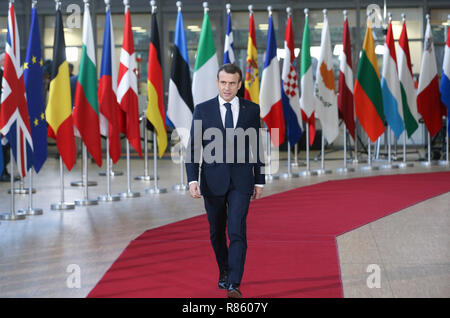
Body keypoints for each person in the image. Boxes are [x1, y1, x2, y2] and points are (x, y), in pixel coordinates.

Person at [185, 63, 265, 298]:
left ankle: (234, 283)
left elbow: (257, 146)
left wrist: (259, 180)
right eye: (223, 82)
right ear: (217, 83)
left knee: (237, 229)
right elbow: (194, 147)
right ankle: (224, 271)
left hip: (241, 181)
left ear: (240, 85)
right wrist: (192, 180)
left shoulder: (252, 110)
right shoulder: (203, 109)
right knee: (216, 232)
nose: (227, 87)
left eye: (232, 83)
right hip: (212, 181)